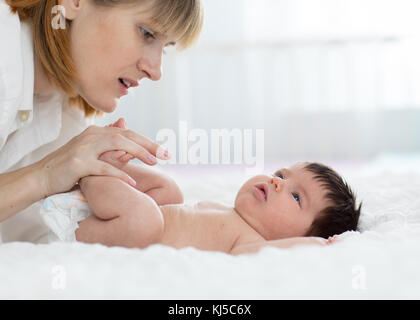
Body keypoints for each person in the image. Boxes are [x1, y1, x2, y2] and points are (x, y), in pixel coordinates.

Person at [0, 0, 203, 243]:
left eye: (166, 47)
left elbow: (35, 235)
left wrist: (119, 196)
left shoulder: (67, 115)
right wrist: (45, 175)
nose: (156, 71)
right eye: (146, 33)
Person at [41, 141, 362, 254]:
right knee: (171, 190)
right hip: (116, 213)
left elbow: (258, 259)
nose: (277, 183)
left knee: (147, 220)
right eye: (281, 174)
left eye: (295, 197)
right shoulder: (229, 213)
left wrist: (311, 246)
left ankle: (93, 173)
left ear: (299, 236)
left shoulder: (249, 244)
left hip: (100, 230)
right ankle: (111, 165)